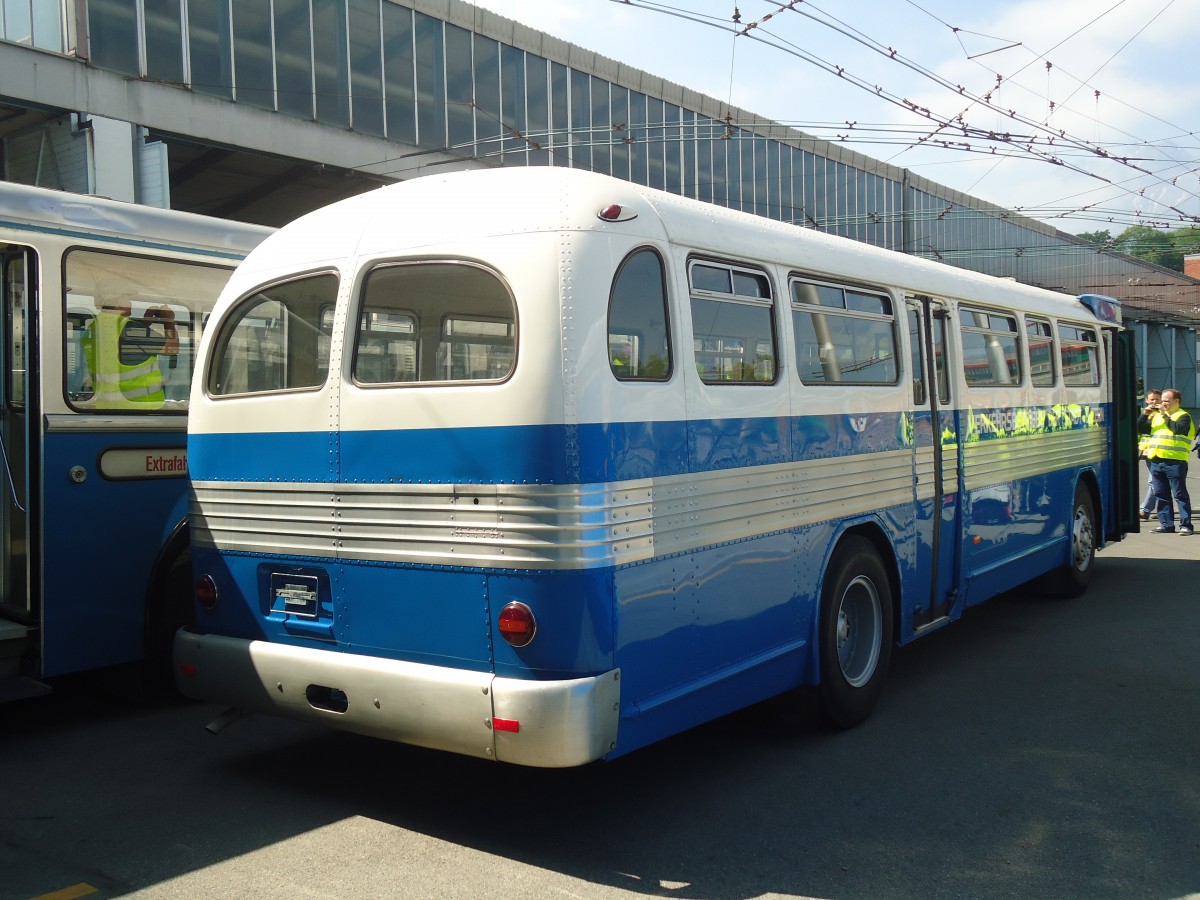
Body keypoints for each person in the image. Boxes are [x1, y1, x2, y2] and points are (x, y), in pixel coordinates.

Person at [81, 294, 179, 409]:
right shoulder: (130, 328)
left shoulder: (94, 327)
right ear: (118, 302)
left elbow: (123, 345)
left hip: (108, 407)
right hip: (141, 408)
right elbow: (172, 348)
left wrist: (145, 324)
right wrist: (168, 320)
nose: (130, 302)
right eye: (127, 298)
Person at [1137, 387, 1194, 535]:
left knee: (1179, 495)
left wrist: (1163, 414)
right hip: (1156, 460)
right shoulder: (1155, 417)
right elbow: (1140, 428)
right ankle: (1166, 524)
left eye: (1166, 401)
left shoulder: (1183, 416)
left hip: (1175, 462)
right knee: (1161, 495)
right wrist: (1144, 415)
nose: (1163, 404)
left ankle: (1186, 525)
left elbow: (1177, 429)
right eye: (1162, 401)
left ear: (1177, 401)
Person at [1138, 389, 1162, 520]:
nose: (1154, 402)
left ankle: (1145, 509)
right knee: (1157, 482)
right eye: (1152, 399)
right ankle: (1162, 509)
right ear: (1147, 400)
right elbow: (1139, 427)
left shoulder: (1165, 414)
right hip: (1148, 452)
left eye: (1157, 399)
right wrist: (1144, 414)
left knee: (1154, 481)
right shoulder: (1147, 414)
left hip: (1161, 451)